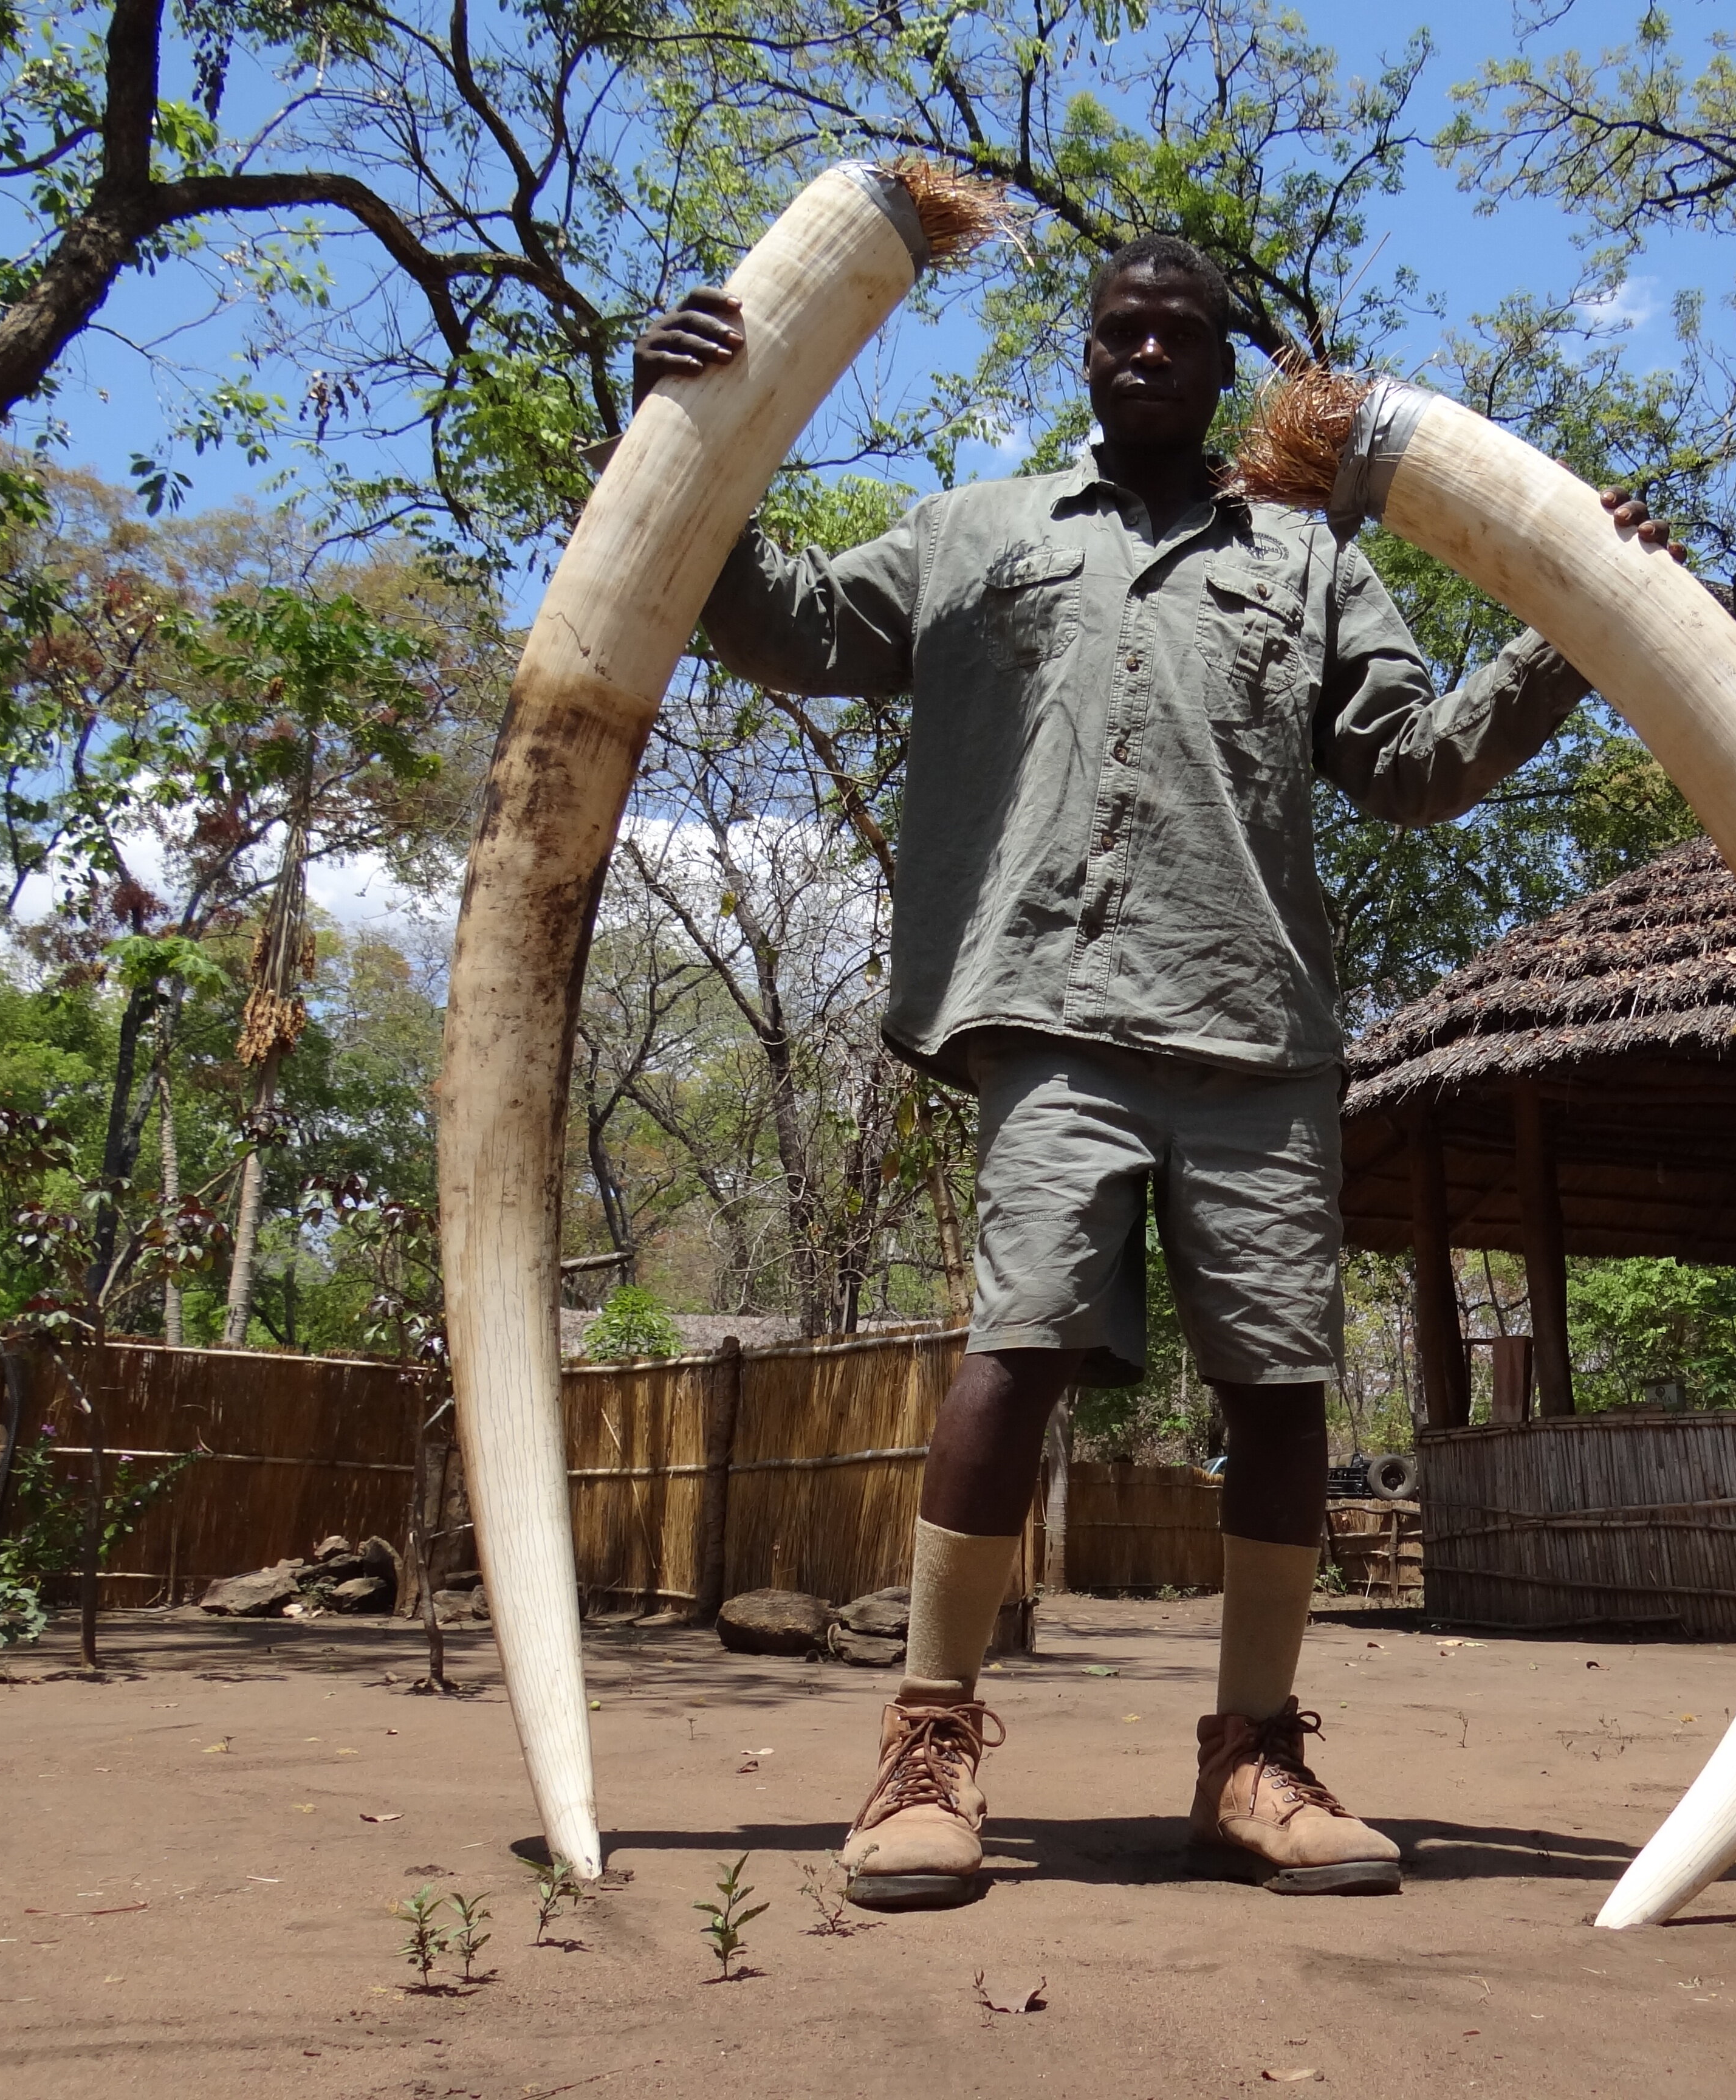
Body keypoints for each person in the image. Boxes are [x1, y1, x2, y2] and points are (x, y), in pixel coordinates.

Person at [631, 232, 1673, 1910]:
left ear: (1221, 364)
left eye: (1179, 335)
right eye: (1120, 331)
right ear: (1087, 353)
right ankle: (928, 1742)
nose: (1144, 357)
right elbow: (791, 623)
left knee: (1279, 1393)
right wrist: (681, 426)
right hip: (1052, 1013)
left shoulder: (1314, 563)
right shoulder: (980, 534)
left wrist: (1577, 627)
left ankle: (1252, 1759)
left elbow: (1408, 769)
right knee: (1016, 1353)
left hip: (1257, 1031)